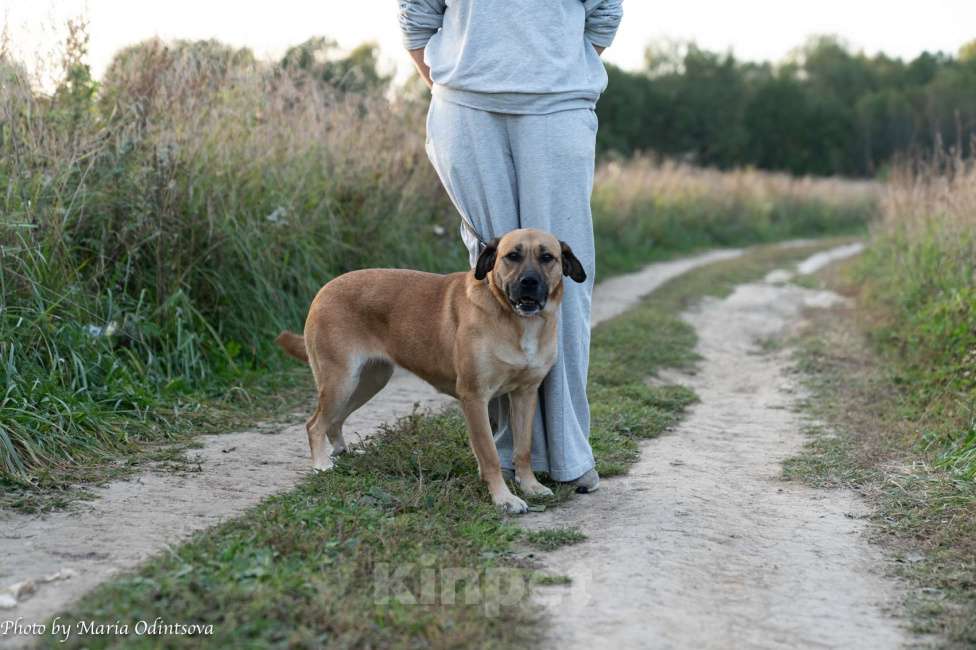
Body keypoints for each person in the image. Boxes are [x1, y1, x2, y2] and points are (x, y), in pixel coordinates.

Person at [398, 0, 623, 493]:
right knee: (491, 276)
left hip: (559, 105)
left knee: (559, 274)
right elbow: (417, 12)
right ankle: (505, 454)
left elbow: (605, 11)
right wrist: (452, 81)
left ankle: (565, 453)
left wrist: (557, 68)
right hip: (466, 105)